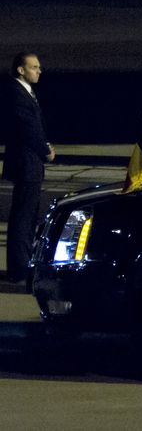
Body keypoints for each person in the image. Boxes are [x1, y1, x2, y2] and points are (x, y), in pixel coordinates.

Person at [2, 52, 55, 283]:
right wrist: (45, 150)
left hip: (30, 162)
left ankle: (22, 264)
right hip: (26, 162)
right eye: (34, 67)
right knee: (23, 217)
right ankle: (19, 268)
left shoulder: (26, 92)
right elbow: (27, 128)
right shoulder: (16, 93)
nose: (39, 71)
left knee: (28, 215)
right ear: (21, 70)